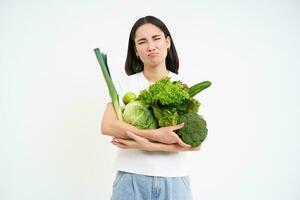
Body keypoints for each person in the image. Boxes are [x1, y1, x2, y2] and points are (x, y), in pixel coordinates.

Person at [101, 16, 200, 200]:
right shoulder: (123, 86)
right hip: (130, 179)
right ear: (136, 50)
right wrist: (155, 135)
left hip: (175, 180)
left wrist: (143, 144)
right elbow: (108, 126)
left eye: (156, 38)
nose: (151, 46)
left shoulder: (184, 86)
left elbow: (195, 145)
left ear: (167, 42)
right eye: (142, 41)